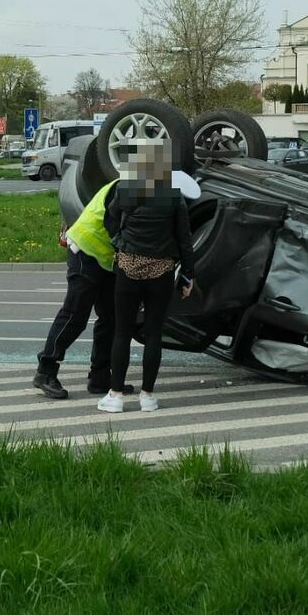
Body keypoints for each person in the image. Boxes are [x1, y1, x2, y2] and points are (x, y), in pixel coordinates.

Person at [98, 139, 195, 414]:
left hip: (128, 267)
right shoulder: (173, 195)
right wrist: (188, 273)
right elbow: (184, 238)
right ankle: (148, 396)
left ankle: (116, 396)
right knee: (153, 334)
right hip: (161, 271)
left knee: (122, 332)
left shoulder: (127, 190)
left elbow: (110, 219)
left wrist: (121, 241)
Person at [31, 179, 124, 400]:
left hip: (105, 258)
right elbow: (120, 230)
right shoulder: (126, 188)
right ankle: (45, 371)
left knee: (110, 317)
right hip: (85, 250)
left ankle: (100, 376)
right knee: (75, 314)